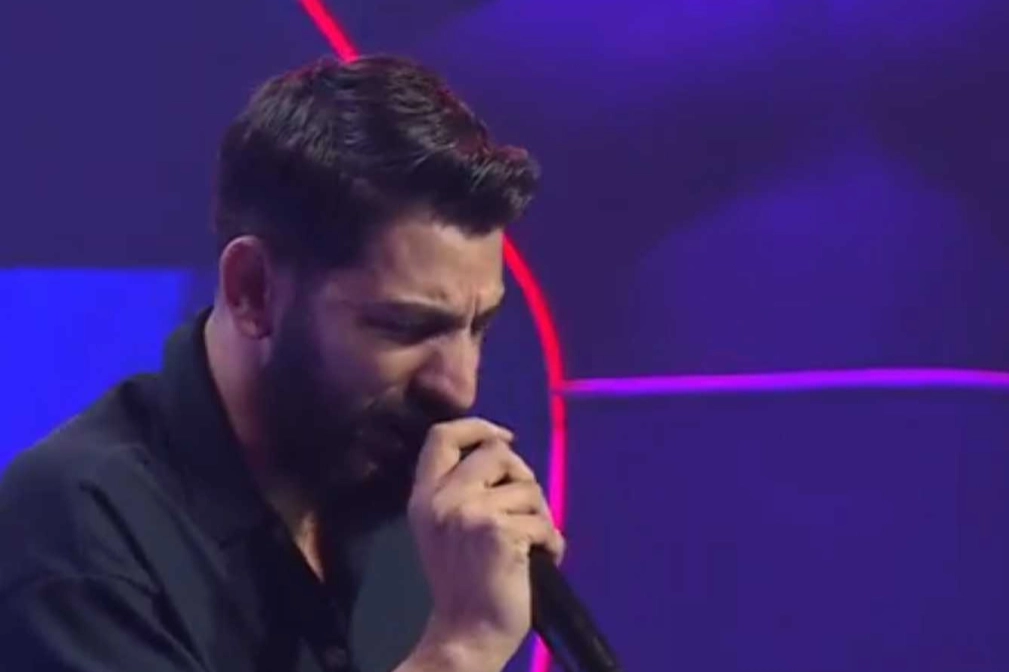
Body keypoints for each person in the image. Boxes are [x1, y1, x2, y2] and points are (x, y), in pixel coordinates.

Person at [0, 55, 564, 672]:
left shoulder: (425, 519)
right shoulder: (75, 534)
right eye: (403, 327)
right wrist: (460, 649)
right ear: (253, 291)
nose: (459, 387)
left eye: (479, 327)